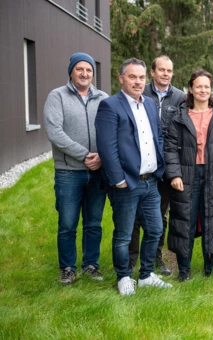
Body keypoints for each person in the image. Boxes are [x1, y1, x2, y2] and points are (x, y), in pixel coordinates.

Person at [95, 58, 172, 295]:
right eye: (132, 77)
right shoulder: (110, 106)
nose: (138, 82)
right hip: (126, 183)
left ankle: (147, 274)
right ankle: (124, 276)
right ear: (121, 79)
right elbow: (107, 147)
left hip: (151, 181)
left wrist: (159, 166)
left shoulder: (149, 104)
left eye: (141, 77)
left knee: (155, 230)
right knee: (124, 234)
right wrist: (118, 179)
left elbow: (158, 135)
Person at [164, 69, 213, 281]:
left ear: (210, 89)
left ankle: (211, 269)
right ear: (191, 89)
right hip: (187, 175)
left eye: (207, 86)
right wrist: (175, 174)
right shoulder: (179, 116)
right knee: (183, 220)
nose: (203, 90)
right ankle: (184, 271)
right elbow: (169, 148)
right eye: (199, 86)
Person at [44, 52, 108, 285]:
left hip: (98, 171)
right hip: (68, 172)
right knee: (68, 224)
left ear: (93, 73)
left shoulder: (103, 98)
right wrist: (84, 155)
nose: (84, 73)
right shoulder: (57, 96)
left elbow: (111, 131)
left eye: (89, 70)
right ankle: (68, 268)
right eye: (80, 69)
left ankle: (91, 265)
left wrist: (102, 157)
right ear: (71, 71)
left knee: (93, 223)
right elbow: (55, 133)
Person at [129, 55, 186, 276]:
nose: (165, 74)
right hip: (141, 164)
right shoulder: (141, 93)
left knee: (160, 215)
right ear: (152, 72)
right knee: (133, 215)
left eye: (169, 71)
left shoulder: (180, 97)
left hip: (166, 166)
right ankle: (131, 258)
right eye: (161, 70)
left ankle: (155, 257)